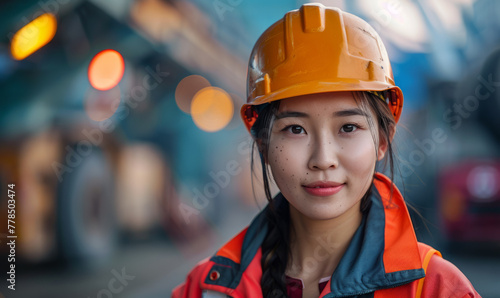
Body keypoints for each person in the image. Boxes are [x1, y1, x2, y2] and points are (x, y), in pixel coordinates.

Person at [172, 3, 480, 298]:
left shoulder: (437, 289)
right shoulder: (206, 288)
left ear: (383, 140)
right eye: (295, 129)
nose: (323, 159)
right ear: (262, 143)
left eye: (348, 128)